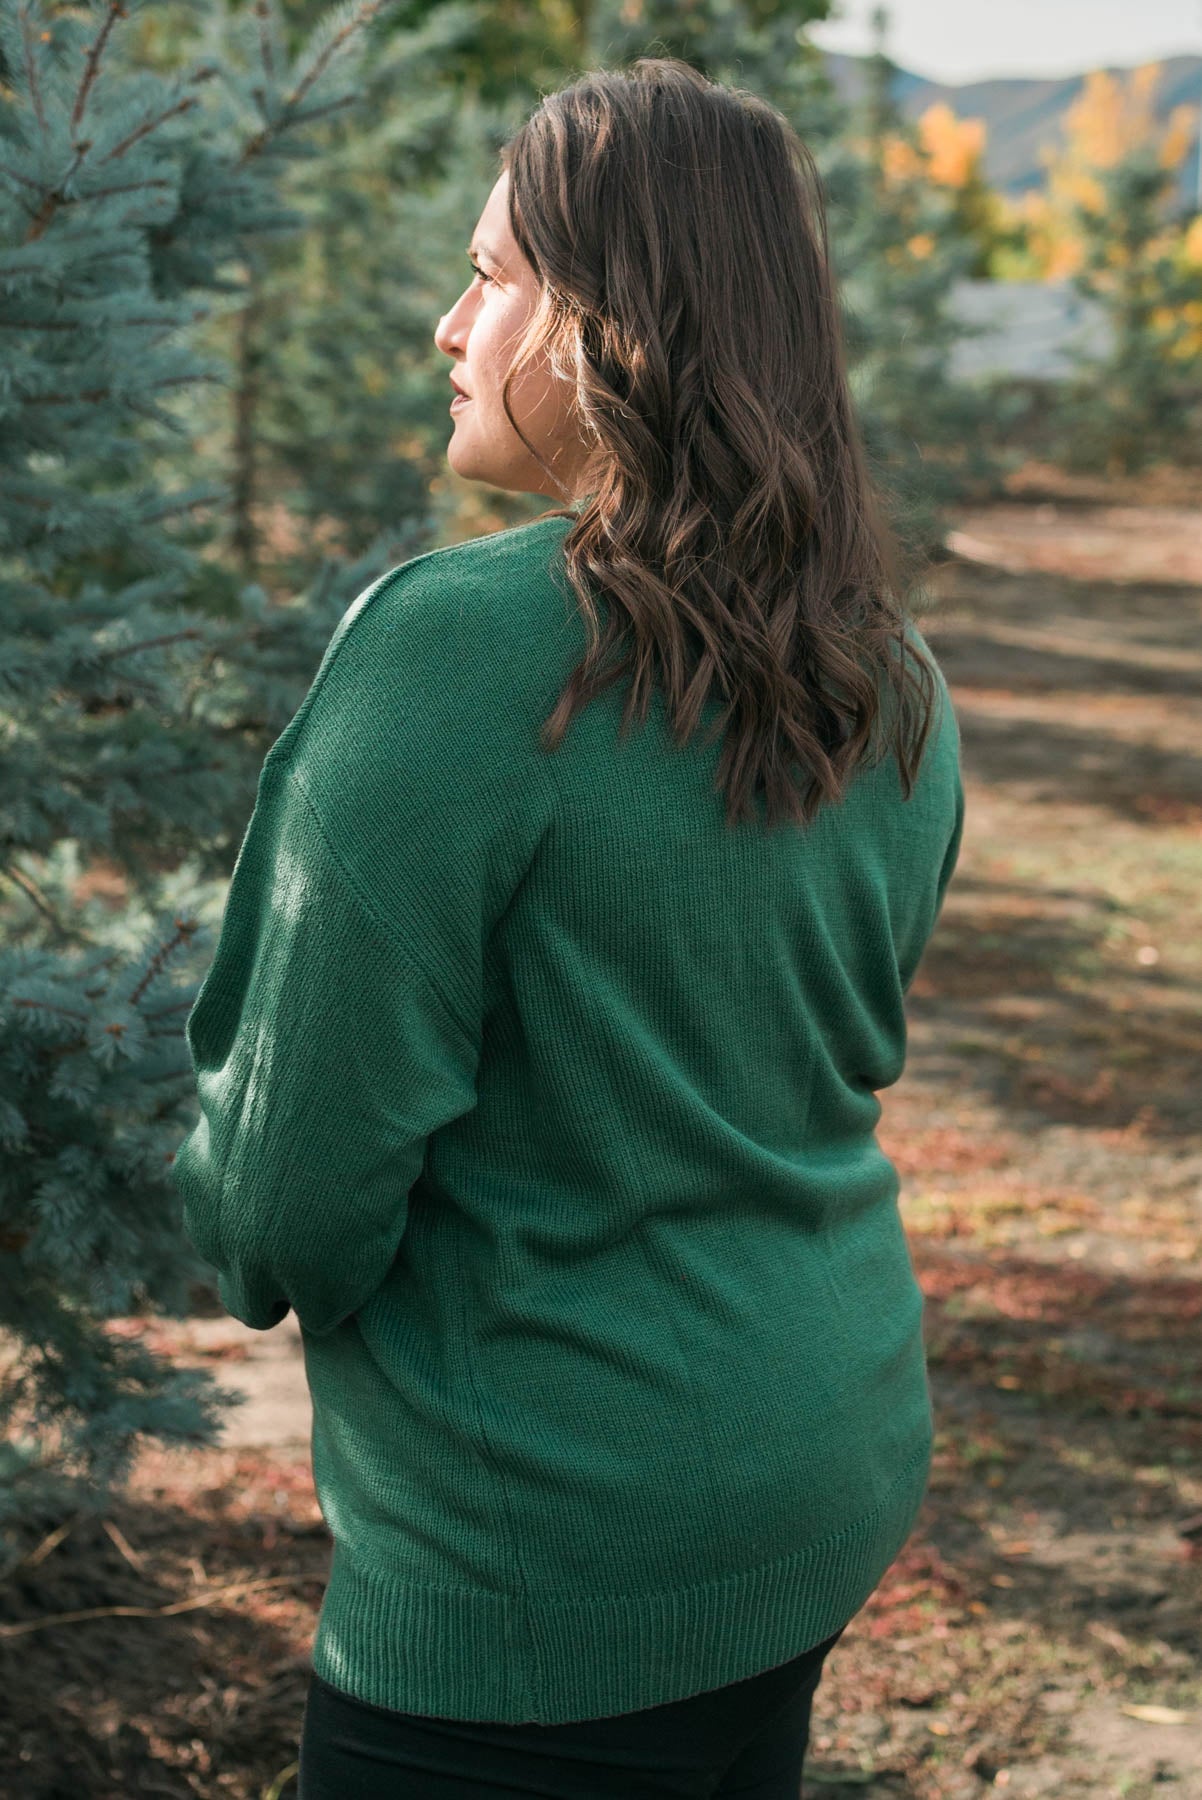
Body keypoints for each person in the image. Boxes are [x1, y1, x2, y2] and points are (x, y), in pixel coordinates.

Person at [174, 54, 965, 1800]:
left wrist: (226, 1222)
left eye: (492, 275)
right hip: (820, 1452)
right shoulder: (891, 679)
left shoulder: (461, 652)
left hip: (539, 1555)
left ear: (610, 321)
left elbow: (286, 1190)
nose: (450, 326)